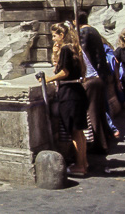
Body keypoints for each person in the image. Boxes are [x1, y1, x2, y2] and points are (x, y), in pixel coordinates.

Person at [42, 23, 90, 176]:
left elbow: (64, 71)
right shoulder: (74, 48)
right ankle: (83, 162)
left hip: (69, 92)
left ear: (61, 35)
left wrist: (49, 79)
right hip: (78, 91)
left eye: (54, 36)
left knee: (75, 133)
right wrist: (55, 54)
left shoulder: (65, 49)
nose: (53, 39)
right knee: (80, 132)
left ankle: (79, 166)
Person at [77, 12, 113, 153]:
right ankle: (107, 136)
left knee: (93, 111)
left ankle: (99, 144)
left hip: (92, 75)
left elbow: (84, 53)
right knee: (101, 107)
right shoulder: (94, 30)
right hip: (100, 73)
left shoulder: (84, 31)